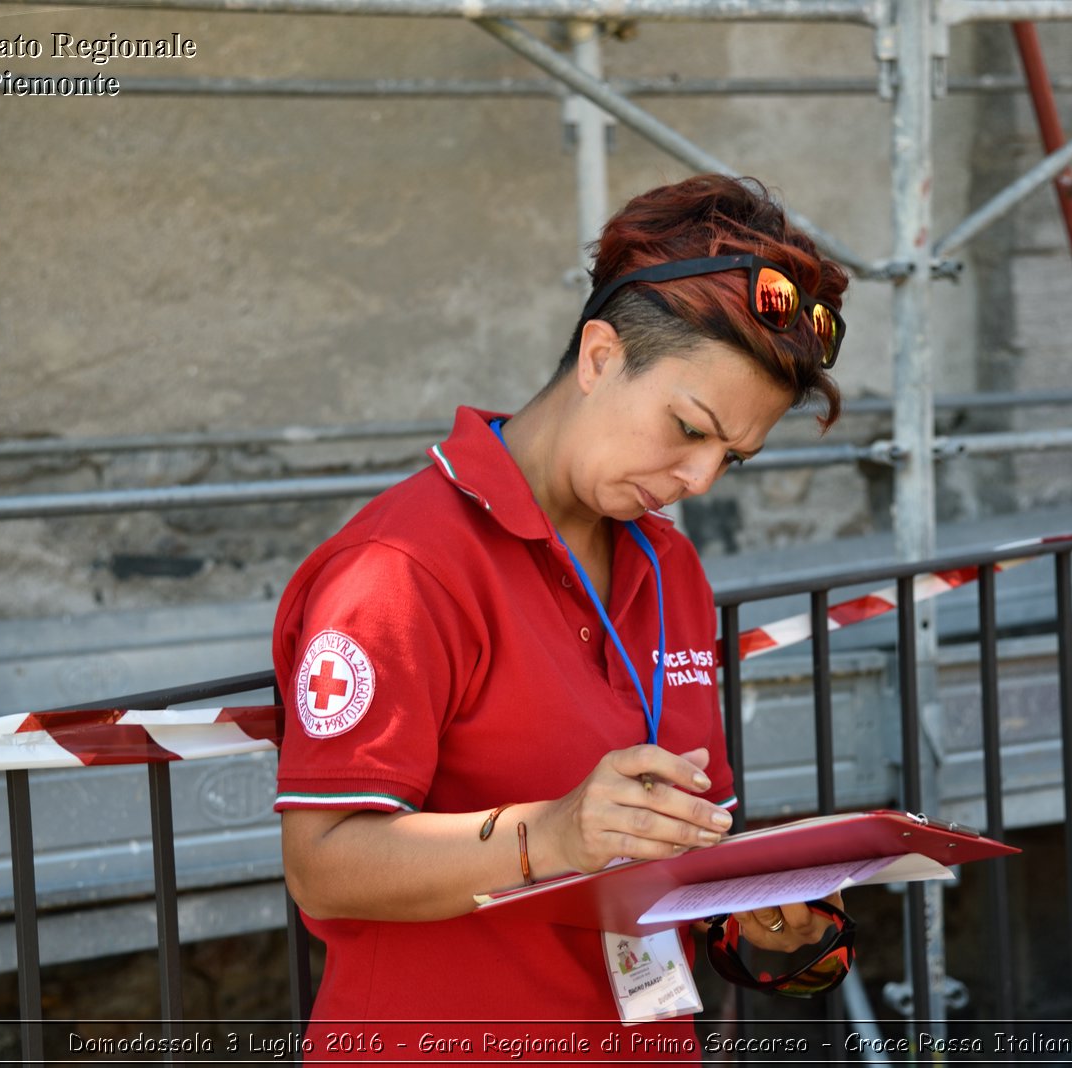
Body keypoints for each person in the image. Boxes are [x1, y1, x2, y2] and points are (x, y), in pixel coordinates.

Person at [272, 174, 850, 1058]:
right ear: (598, 357)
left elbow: (677, 866)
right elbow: (323, 863)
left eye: (732, 458)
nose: (698, 481)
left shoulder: (668, 565)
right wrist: (548, 834)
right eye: (688, 428)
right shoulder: (402, 566)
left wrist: (776, 925)